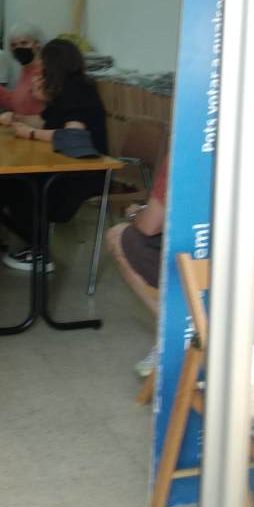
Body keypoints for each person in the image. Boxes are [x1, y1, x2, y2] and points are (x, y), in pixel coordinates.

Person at [0, 38, 107, 263]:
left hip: (83, 171)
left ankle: (39, 253)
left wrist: (30, 134)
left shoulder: (78, 90)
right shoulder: (66, 87)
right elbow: (45, 121)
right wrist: (17, 118)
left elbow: (72, 136)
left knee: (21, 183)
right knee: (7, 178)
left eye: (42, 63)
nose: (39, 68)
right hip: (64, 162)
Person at [106, 154, 169, 377]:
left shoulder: (185, 150)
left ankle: (176, 332)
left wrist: (135, 213)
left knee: (117, 235)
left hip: (202, 268)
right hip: (248, 266)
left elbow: (149, 226)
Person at [0, 21, 44, 117]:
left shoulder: (44, 71)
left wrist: (16, 118)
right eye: (14, 45)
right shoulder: (25, 69)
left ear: (37, 44)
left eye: (24, 43)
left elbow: (40, 113)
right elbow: (14, 101)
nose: (18, 48)